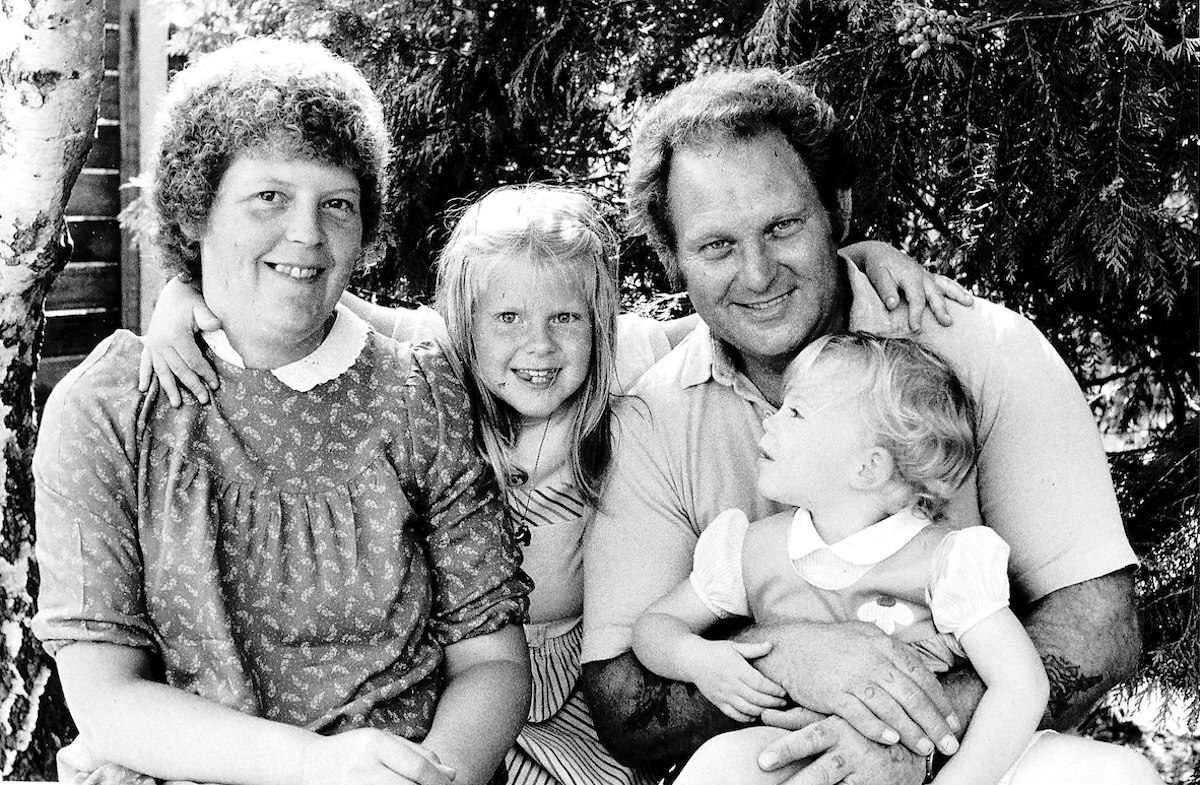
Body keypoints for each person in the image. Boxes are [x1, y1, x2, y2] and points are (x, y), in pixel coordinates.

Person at [140, 184, 971, 785]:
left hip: (574, 692)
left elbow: (742, 308)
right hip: (455, 683)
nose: (538, 346)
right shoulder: (430, 364)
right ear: (466, 320)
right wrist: (182, 294)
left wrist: (851, 259)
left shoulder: (628, 371)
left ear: (599, 320)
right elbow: (303, 297)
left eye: (566, 319)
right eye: (507, 319)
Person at [581, 68, 1141, 784]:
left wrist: (912, 728)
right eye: (717, 246)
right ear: (670, 258)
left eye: (782, 226)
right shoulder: (655, 417)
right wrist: (791, 655)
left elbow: (1099, 625)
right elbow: (625, 700)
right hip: (781, 754)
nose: (756, 275)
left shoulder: (981, 350)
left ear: (837, 209)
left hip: (987, 744)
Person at [32, 38, 533, 785]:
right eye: (270, 196)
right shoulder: (108, 409)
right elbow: (107, 696)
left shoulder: (420, 391)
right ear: (196, 208)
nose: (306, 233)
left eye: (337, 204)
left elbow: (493, 661)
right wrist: (319, 766)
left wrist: (432, 774)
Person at [632, 333, 1160, 785]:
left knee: (1115, 773)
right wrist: (696, 660)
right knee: (721, 764)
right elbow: (656, 626)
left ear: (867, 468)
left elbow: (1021, 685)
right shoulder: (751, 549)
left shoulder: (944, 560)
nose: (772, 421)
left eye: (795, 412)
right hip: (809, 758)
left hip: (945, 756)